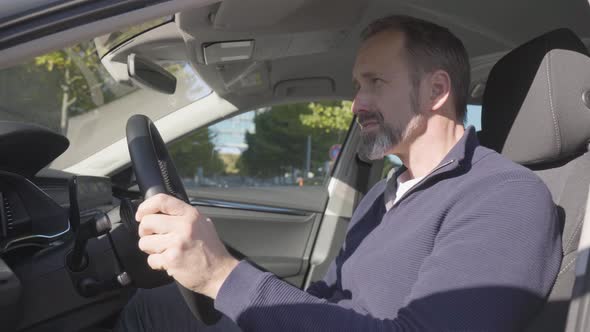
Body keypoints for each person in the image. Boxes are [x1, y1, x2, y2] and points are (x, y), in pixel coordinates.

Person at [116, 15, 561, 331]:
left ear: (437, 90)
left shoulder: (506, 197)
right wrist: (215, 260)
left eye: (375, 83)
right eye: (357, 86)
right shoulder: (385, 194)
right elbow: (325, 301)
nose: (357, 104)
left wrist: (221, 275)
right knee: (151, 306)